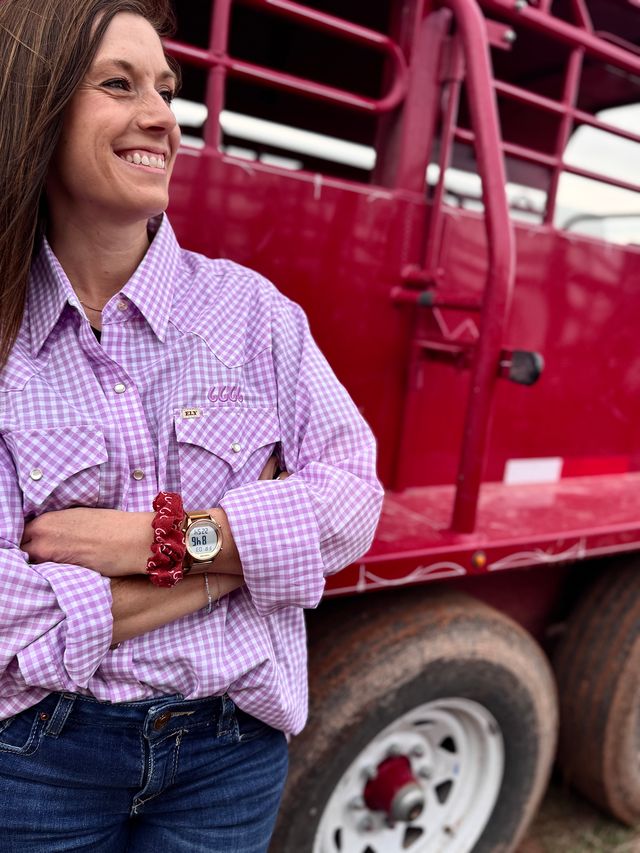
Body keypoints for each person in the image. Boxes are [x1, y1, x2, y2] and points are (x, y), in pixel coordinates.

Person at [0, 1, 383, 850]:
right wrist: (225, 573)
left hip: (228, 753)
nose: (160, 117)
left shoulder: (252, 314)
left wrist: (158, 541)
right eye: (118, 84)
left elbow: (351, 497)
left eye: (167, 90)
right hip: (32, 759)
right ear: (35, 105)